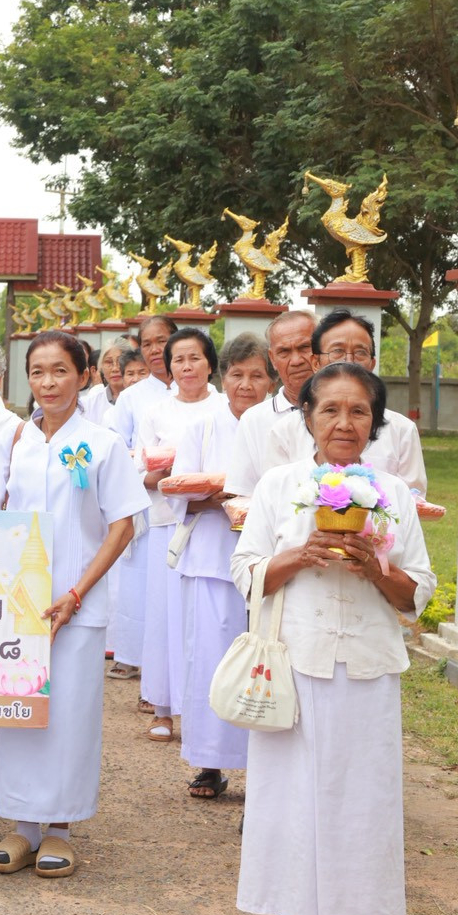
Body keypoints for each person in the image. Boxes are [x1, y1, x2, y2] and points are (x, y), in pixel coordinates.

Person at [231, 363, 435, 915]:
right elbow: (245, 573)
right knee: (290, 808)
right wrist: (301, 552)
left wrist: (377, 569)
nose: (344, 423)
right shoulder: (278, 487)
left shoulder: (394, 495)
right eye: (330, 410)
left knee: (361, 810)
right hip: (292, 670)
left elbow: (417, 591)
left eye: (359, 412)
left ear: (376, 423)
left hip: (367, 675)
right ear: (308, 417)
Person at [0, 331, 147, 878]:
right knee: (17, 711)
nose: (48, 383)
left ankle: (61, 830)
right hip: (18, 604)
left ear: (84, 374)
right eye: (38, 372)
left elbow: (122, 525)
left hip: (77, 603)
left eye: (60, 371)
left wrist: (76, 593)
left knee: (67, 716)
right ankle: (19, 828)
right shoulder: (14, 439)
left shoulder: (104, 442)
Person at [168, 333, 273, 801]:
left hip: (268, 563)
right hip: (210, 558)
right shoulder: (202, 427)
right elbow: (180, 493)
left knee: (265, 663)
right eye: (237, 374)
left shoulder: (285, 426)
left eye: (256, 375)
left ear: (270, 381)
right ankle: (209, 762)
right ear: (222, 377)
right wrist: (224, 498)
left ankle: (267, 768)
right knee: (209, 659)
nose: (246, 385)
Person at [136, 327, 223, 741]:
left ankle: (207, 711)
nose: (187, 367)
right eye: (178, 360)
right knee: (165, 616)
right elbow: (139, 471)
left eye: (195, 358)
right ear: (169, 368)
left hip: (214, 522)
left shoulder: (224, 408)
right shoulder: (156, 411)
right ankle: (163, 706)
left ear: (210, 363)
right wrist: (166, 476)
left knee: (206, 619)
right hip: (167, 521)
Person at [264, 310, 427, 496]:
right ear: (315, 362)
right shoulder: (284, 430)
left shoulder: (402, 430)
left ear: (372, 364)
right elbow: (275, 502)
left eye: (360, 352)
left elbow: (414, 501)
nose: (349, 360)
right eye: (337, 351)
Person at [106, 317, 176, 687]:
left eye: (161, 341)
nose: (153, 349)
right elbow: (116, 449)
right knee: (140, 585)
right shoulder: (131, 397)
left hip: (188, 505)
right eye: (147, 343)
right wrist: (145, 474)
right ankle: (133, 655)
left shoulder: (199, 390)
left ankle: (171, 666)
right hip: (145, 499)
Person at [224, 311, 315, 498]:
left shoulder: (348, 413)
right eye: (284, 352)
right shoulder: (253, 420)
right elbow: (241, 496)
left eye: (304, 347)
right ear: (272, 359)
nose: (296, 360)